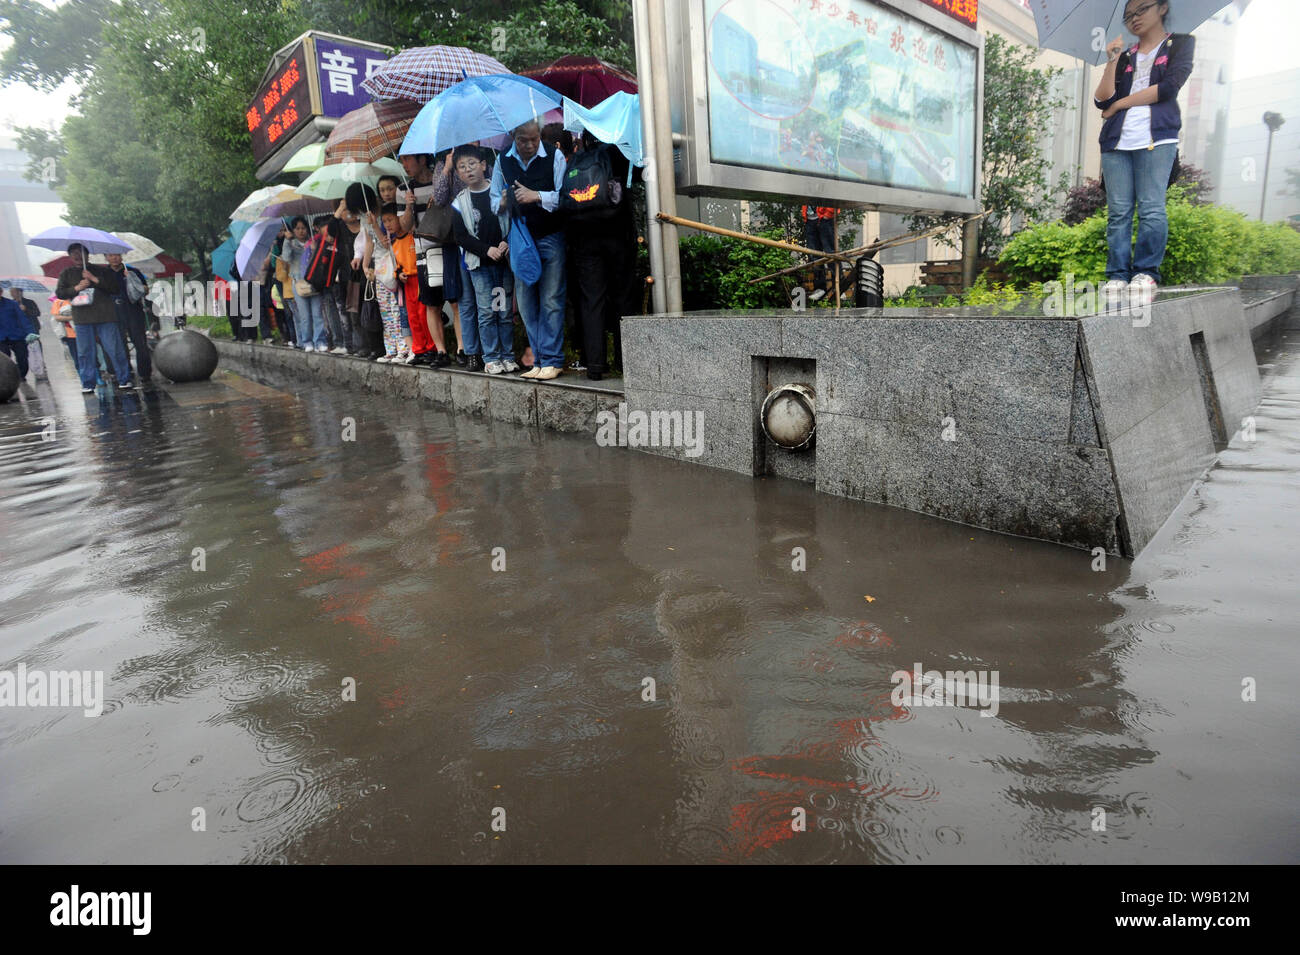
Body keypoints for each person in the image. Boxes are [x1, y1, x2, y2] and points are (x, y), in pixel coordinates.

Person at [1094, 0, 1194, 305]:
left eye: (1141, 10)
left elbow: (1168, 88)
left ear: (1162, 8)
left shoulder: (1180, 44)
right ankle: (1117, 274)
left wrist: (1120, 105)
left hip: (1157, 137)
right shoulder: (1124, 57)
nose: (1134, 19)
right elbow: (1102, 100)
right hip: (1117, 141)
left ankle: (1146, 272)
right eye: (1128, 16)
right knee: (1118, 213)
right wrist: (1111, 60)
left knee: (1151, 207)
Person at [491, 119, 568, 380]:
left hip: (550, 236)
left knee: (551, 300)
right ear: (514, 136)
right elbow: (493, 202)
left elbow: (564, 196)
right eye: (524, 140)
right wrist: (502, 201)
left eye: (535, 139)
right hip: (520, 240)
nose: (530, 145)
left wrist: (537, 195)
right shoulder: (503, 160)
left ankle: (553, 360)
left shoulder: (554, 155)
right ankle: (540, 359)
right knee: (525, 304)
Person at [562, 130, 635, 381]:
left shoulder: (577, 161)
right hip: (618, 236)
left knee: (591, 300)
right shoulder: (620, 153)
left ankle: (595, 365)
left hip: (584, 240)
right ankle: (626, 362)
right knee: (623, 297)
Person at [452, 145, 519, 375]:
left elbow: (513, 221)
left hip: (503, 262)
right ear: (458, 173)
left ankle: (508, 355)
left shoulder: (499, 191)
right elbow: (460, 236)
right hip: (480, 265)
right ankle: (491, 357)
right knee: (486, 311)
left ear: (483, 165)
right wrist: (485, 249)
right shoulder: (459, 202)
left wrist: (506, 241)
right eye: (462, 167)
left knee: (503, 310)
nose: (468, 169)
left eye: (472, 164)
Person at [55, 242, 133, 392]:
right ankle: (88, 383)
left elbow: (114, 288)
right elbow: (60, 293)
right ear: (70, 256)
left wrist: (93, 278)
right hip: (82, 318)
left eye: (80, 252)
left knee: (115, 349)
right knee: (85, 352)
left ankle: (124, 379)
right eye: (74, 253)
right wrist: (77, 288)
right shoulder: (66, 273)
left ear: (87, 254)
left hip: (105, 316)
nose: (78, 256)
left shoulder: (101, 270)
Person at [396, 152, 451, 366]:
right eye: (402, 161)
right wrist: (409, 205)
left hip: (448, 246)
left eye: (408, 160)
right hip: (423, 253)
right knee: (432, 304)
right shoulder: (404, 190)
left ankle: (465, 349)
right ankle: (440, 351)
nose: (405, 165)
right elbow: (405, 226)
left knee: (456, 302)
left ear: (421, 159)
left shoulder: (441, 181)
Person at [382, 202, 426, 366]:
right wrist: (398, 274)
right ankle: (418, 349)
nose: (388, 224)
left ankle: (429, 349)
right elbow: (395, 267)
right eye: (385, 221)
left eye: (390, 220)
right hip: (406, 284)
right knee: (412, 317)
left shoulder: (412, 236)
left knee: (423, 314)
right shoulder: (392, 243)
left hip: (419, 280)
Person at [106, 252, 153, 380]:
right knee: (119, 344)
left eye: (117, 255)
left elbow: (145, 289)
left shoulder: (132, 271)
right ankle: (126, 372)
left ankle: (145, 373)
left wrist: (132, 280)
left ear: (121, 256)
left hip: (133, 309)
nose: (114, 258)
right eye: (110, 255)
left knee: (140, 343)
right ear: (106, 257)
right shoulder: (104, 273)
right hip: (113, 312)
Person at [9, 285, 48, 381]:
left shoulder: (29, 302)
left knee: (36, 345)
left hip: (33, 327)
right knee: (23, 348)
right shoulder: (11, 304)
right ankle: (26, 365)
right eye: (11, 292)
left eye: (13, 291)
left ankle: (39, 362)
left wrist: (25, 309)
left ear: (19, 292)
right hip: (19, 329)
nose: (12, 294)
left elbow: (37, 313)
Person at [802, 203, 837, 301]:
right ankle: (820, 288)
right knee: (814, 254)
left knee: (830, 253)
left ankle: (838, 285)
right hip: (810, 219)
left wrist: (828, 214)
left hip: (824, 218)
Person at [0, 286, 31, 379]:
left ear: (1, 293)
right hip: (1, 338)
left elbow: (23, 319)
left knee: (23, 359)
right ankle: (8, 378)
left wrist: (30, 332)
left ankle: (21, 375)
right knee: (4, 361)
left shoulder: (12, 304)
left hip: (17, 335)